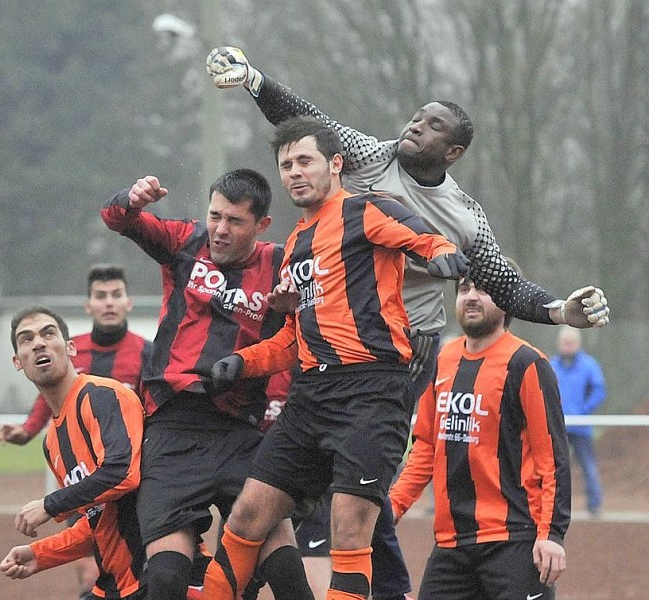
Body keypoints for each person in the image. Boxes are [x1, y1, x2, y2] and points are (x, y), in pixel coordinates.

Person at [204, 45, 609, 600]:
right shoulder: (373, 158)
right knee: (341, 498)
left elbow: (500, 281)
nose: (416, 126)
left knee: (352, 504)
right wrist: (253, 79)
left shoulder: (463, 216)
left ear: (455, 150)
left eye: (433, 124)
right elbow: (311, 129)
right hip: (327, 345)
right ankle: (381, 583)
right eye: (417, 116)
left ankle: (362, 567)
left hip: (400, 350)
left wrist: (561, 310)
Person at [201, 116, 469, 600]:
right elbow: (291, 340)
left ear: (336, 164)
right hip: (311, 396)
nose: (294, 173)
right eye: (286, 165)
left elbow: (422, 235)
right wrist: (242, 363)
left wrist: (442, 251)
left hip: (372, 392)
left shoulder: (365, 210)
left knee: (349, 532)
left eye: (305, 161)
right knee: (246, 515)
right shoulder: (295, 246)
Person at [100, 168, 314, 600]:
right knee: (165, 580)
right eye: (215, 215)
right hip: (172, 429)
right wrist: (132, 197)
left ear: (262, 226)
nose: (219, 229)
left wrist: (296, 309)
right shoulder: (185, 241)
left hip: (241, 432)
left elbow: (308, 334)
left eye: (234, 221)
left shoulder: (282, 263)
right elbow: (114, 217)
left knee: (288, 575)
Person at [388, 261, 571, 599]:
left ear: (509, 300)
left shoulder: (527, 363)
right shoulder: (441, 360)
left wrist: (552, 534)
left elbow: (552, 459)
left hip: (514, 541)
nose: (471, 297)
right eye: (464, 288)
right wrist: (393, 507)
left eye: (484, 289)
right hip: (451, 545)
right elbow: (426, 448)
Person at [0, 264, 152, 598]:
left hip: (153, 572)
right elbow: (96, 521)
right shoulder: (53, 442)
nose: (39, 344)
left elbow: (124, 473)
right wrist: (40, 554)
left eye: (48, 334)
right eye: (27, 339)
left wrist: (51, 504)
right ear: (17, 361)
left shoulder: (106, 393)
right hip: (115, 582)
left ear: (69, 348)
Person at [0, 264, 152, 445]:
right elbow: (50, 392)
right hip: (78, 458)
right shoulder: (66, 348)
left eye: (116, 295)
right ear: (88, 305)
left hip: (130, 457)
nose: (109, 302)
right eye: (101, 296)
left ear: (129, 303)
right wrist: (27, 430)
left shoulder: (148, 353)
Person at [550, 326, 607, 517]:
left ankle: (594, 504)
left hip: (581, 426)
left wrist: (584, 410)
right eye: (565, 342)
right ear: (559, 343)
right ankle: (553, 507)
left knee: (588, 465)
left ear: (578, 343)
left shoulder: (589, 365)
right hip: (558, 426)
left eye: (571, 342)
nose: (567, 346)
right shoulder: (551, 365)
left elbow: (599, 390)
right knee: (553, 467)